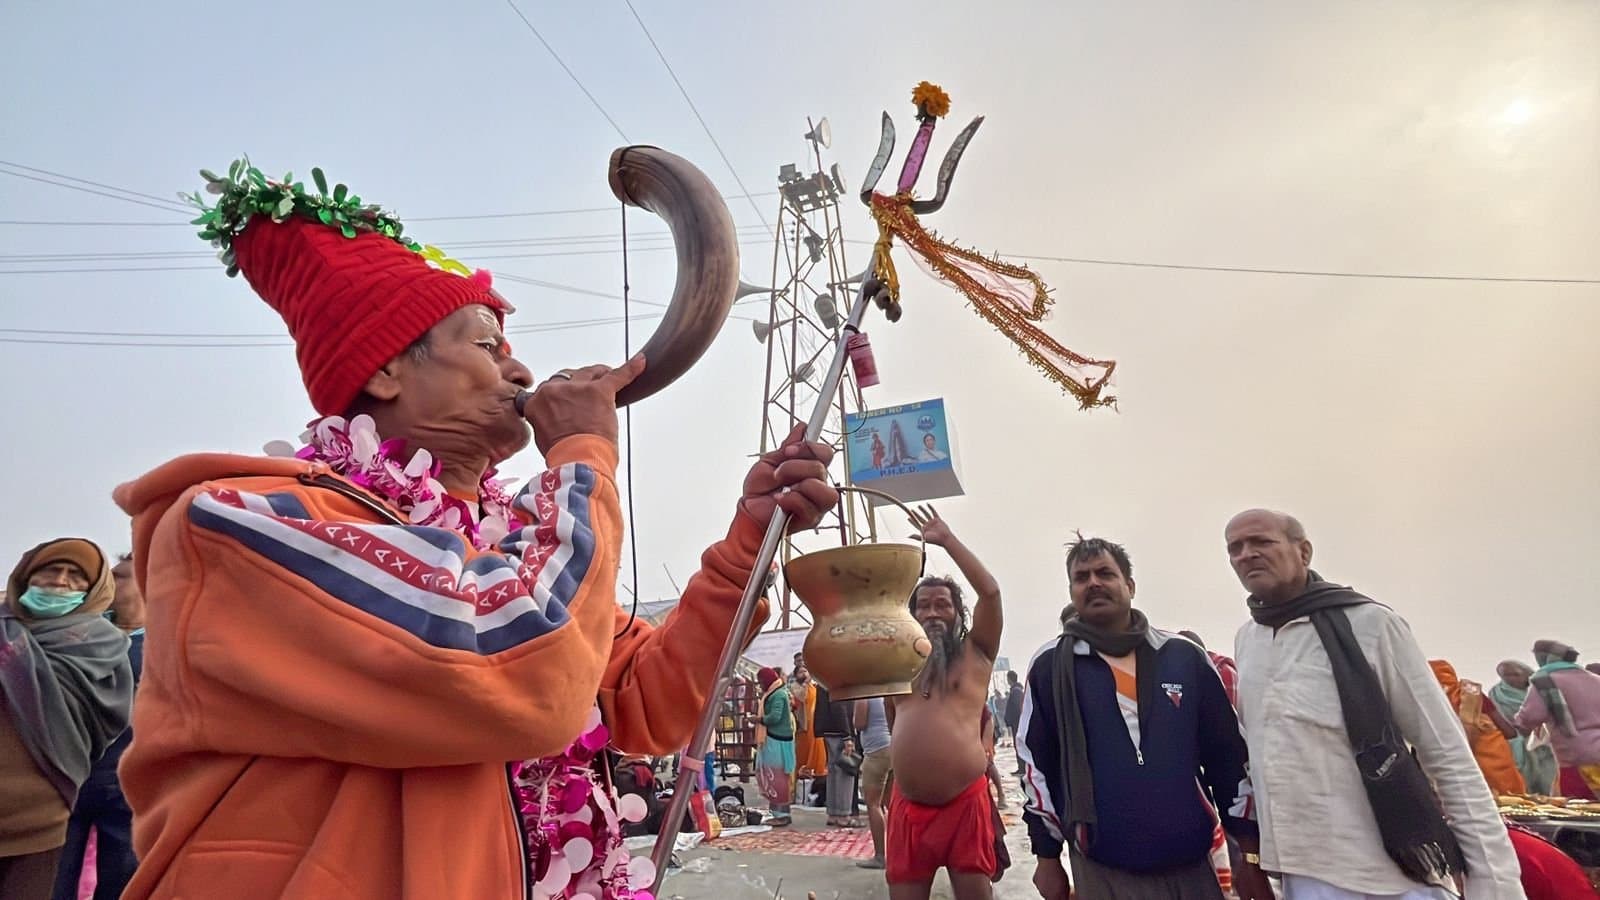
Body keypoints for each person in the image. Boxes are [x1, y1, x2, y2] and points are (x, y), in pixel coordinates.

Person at [111, 161, 838, 899]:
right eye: (487, 345)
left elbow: (651, 699)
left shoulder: (499, 546)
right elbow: (527, 671)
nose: (520, 371)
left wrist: (748, 543)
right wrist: (582, 457)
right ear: (387, 370)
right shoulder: (239, 526)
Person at [1225, 509, 1524, 899]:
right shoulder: (1248, 640)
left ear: (1304, 552)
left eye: (1262, 542)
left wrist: (1494, 880)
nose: (1246, 554)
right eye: (1235, 548)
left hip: (1391, 871)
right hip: (1302, 872)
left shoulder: (1370, 624)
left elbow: (1446, 753)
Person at [1019, 535, 1266, 900]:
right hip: (1101, 865)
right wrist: (1047, 856)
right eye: (1081, 577)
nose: (1093, 583)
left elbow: (1228, 758)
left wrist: (1249, 855)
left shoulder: (1183, 657)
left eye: (1105, 573)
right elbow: (1036, 767)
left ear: (1130, 586)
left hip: (1191, 863)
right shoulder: (1051, 666)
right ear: (1071, 592)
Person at [0, 540, 134, 900]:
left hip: (41, 824)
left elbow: (109, 722)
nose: (60, 581)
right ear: (25, 577)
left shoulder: (104, 648)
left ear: (92, 589)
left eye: (76, 576)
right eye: (49, 570)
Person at [883, 506, 1002, 900]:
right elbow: (894, 719)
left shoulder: (977, 652)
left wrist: (947, 541)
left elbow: (991, 592)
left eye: (943, 605)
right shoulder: (896, 662)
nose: (933, 613)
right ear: (912, 613)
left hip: (965, 804)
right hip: (908, 808)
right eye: (924, 605)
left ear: (958, 614)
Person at [51, 553, 147, 900]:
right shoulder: (76, 637)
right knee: (50, 881)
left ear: (148, 582)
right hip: (63, 780)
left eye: (119, 577)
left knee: (123, 883)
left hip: (130, 787)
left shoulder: (166, 646)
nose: (107, 583)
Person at [1514, 639, 1600, 800]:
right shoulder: (1595, 679)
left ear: (1543, 657)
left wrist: (1518, 724)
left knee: (1581, 806)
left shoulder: (1545, 680)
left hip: (1577, 755)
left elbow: (1531, 716)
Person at [1429, 660, 1526, 795]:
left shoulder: (1429, 706)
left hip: (1460, 769)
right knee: (1511, 800)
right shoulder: (1472, 693)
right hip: (1497, 761)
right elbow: (1509, 732)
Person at [1489, 660, 1558, 795]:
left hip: (1547, 745)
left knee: (1550, 782)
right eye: (1507, 675)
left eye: (1516, 675)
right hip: (1517, 747)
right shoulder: (1497, 694)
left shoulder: (1543, 690)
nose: (1512, 679)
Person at [853, 697, 893, 870]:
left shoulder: (865, 695)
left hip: (875, 750)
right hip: (892, 746)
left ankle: (880, 856)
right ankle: (898, 851)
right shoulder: (888, 692)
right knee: (890, 804)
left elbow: (859, 723)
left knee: (873, 804)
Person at [812, 682, 859, 827]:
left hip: (828, 730)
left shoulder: (823, 679)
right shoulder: (837, 680)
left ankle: (833, 813)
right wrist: (847, 735)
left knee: (833, 772)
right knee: (844, 772)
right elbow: (839, 706)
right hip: (840, 731)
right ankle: (843, 814)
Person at [755, 667, 796, 826]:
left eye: (761, 682)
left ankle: (782, 815)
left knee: (778, 778)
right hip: (774, 739)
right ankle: (777, 813)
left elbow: (775, 717)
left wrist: (758, 720)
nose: (760, 685)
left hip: (777, 741)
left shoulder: (778, 694)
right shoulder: (774, 692)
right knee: (773, 777)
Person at [789, 656, 827, 782]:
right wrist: (805, 684)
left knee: (818, 752)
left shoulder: (813, 686)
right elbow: (802, 697)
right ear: (796, 675)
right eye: (801, 672)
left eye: (806, 671)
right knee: (803, 755)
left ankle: (818, 778)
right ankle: (801, 781)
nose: (804, 674)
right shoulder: (795, 686)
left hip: (816, 724)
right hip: (804, 726)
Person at [1004, 671, 1025, 774]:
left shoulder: (1015, 691)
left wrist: (1011, 719)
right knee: (1019, 745)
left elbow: (1017, 708)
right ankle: (1022, 767)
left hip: (1017, 723)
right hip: (1017, 722)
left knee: (1019, 745)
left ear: (1009, 679)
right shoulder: (1017, 690)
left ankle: (1022, 767)